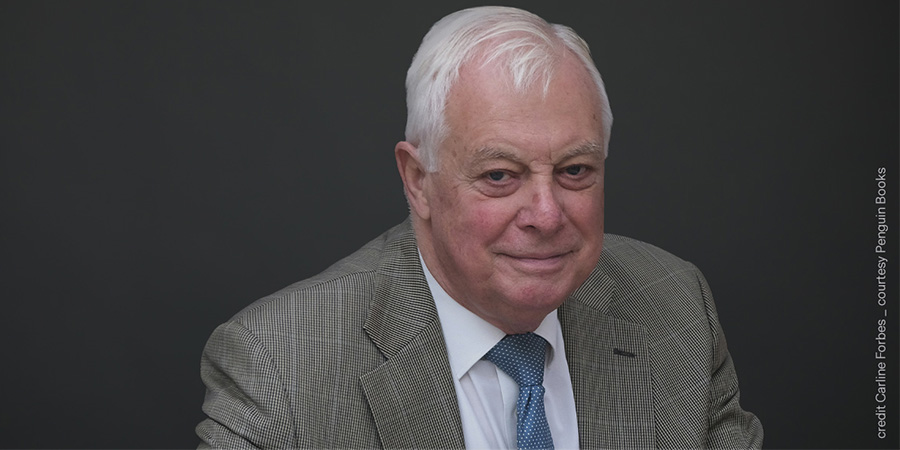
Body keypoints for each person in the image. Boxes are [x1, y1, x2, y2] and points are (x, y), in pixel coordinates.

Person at [196, 6, 763, 449]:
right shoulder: (278, 363)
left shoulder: (675, 310)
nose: (546, 214)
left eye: (574, 171)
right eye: (499, 175)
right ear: (418, 180)